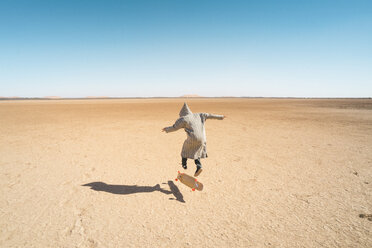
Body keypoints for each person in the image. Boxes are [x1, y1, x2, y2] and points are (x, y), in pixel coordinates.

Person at [162, 103, 225, 177]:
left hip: (193, 138)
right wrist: (221, 117)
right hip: (202, 138)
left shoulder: (183, 119)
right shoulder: (200, 115)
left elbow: (175, 127)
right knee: (197, 151)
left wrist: (166, 129)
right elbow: (209, 115)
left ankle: (184, 164)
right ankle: (199, 166)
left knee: (185, 149)